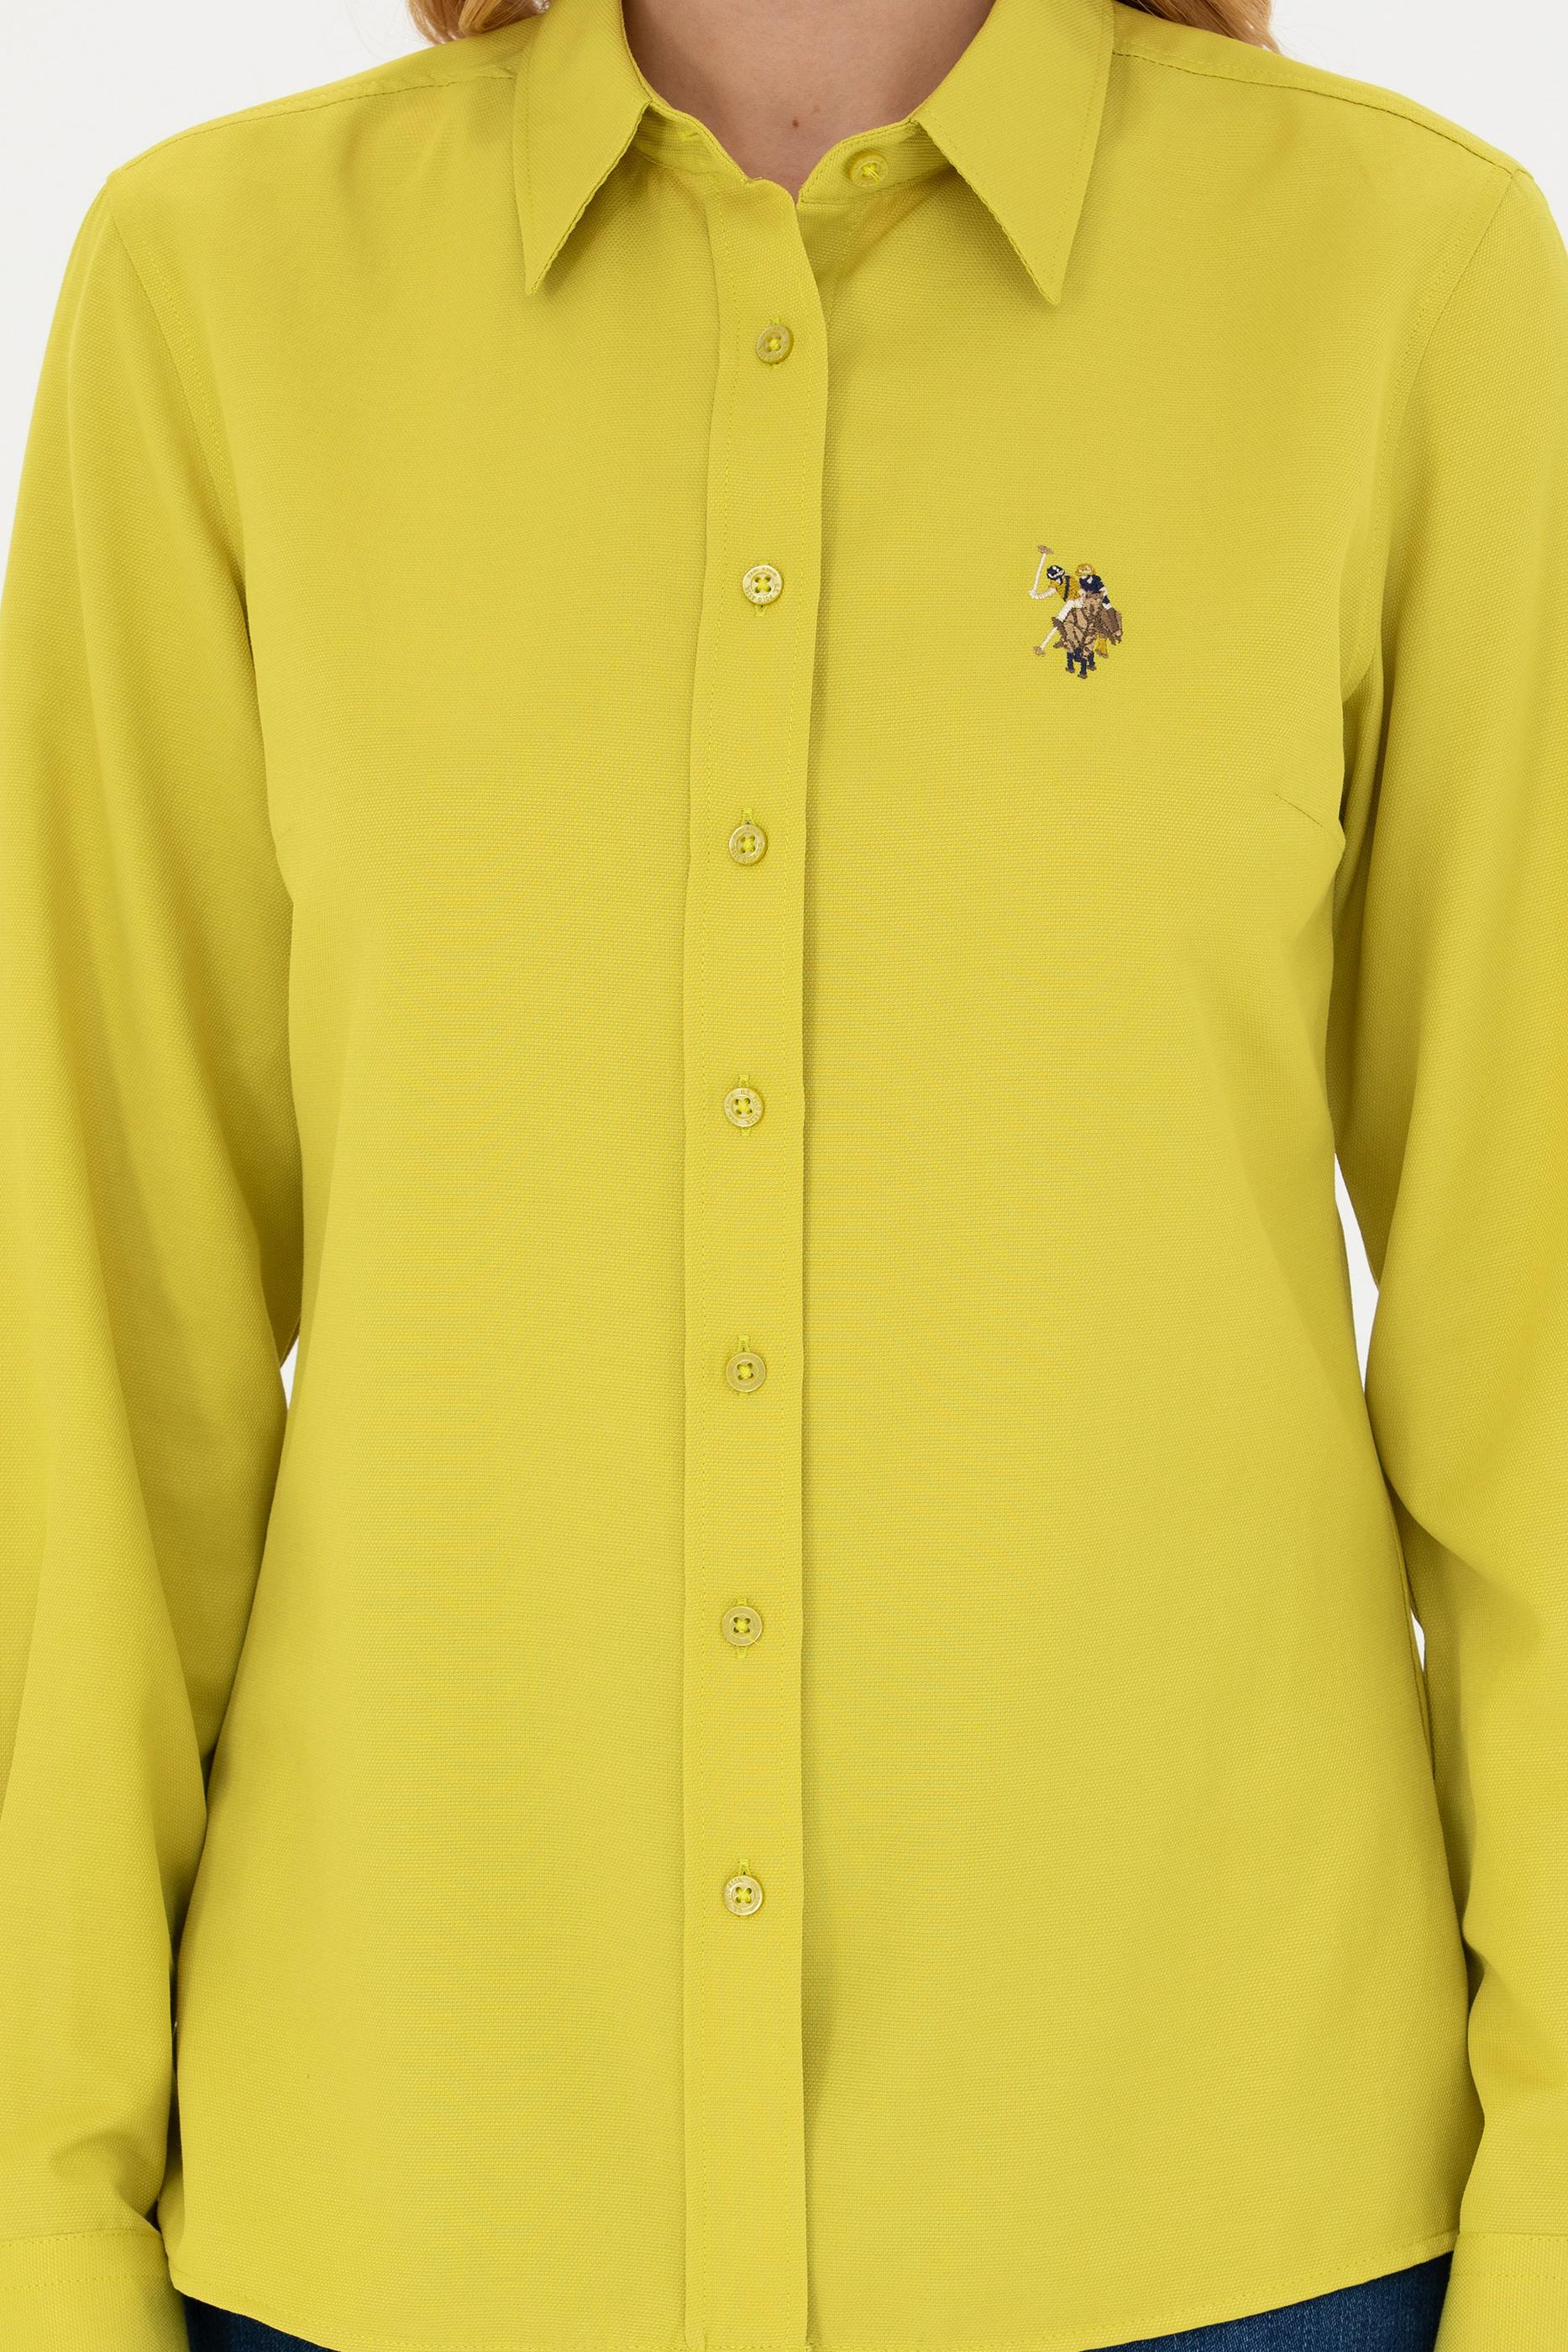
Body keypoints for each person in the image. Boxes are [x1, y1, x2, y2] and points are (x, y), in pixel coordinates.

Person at [1, 0, 1565, 2346]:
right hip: (394, 2234)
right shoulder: (214, 291)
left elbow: (1538, 1378)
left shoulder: (1403, 276)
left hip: (1229, 2249)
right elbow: (93, 1395)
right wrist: (46, 2240)